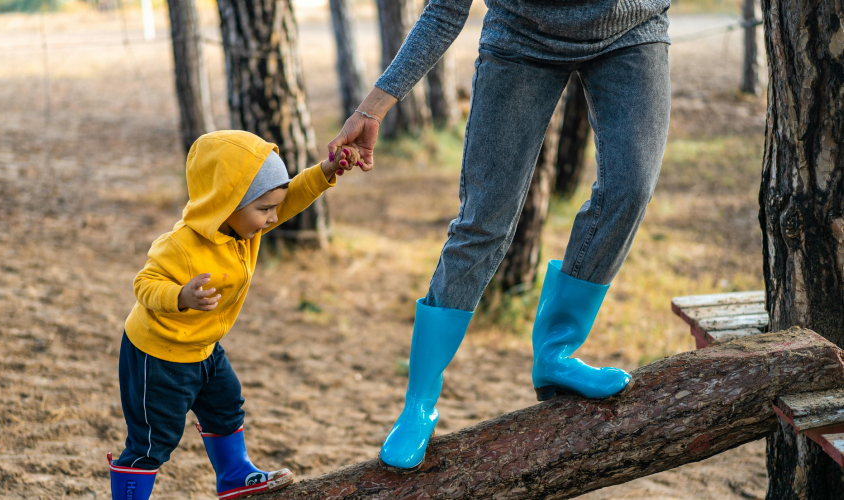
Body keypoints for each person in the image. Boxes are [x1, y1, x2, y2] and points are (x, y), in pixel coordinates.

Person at [329, 0, 672, 470]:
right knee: (482, 223)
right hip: (522, 37)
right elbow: (445, 9)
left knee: (629, 191)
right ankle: (419, 405)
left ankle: (556, 353)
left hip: (633, 29)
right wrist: (374, 107)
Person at [108, 130, 362, 500]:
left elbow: (289, 198)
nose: (273, 217)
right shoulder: (180, 245)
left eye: (273, 208)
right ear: (226, 203)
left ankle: (233, 474)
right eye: (264, 209)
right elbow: (143, 284)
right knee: (154, 440)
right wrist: (180, 295)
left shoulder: (246, 226)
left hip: (205, 347)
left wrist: (325, 171)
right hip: (158, 357)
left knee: (226, 405)